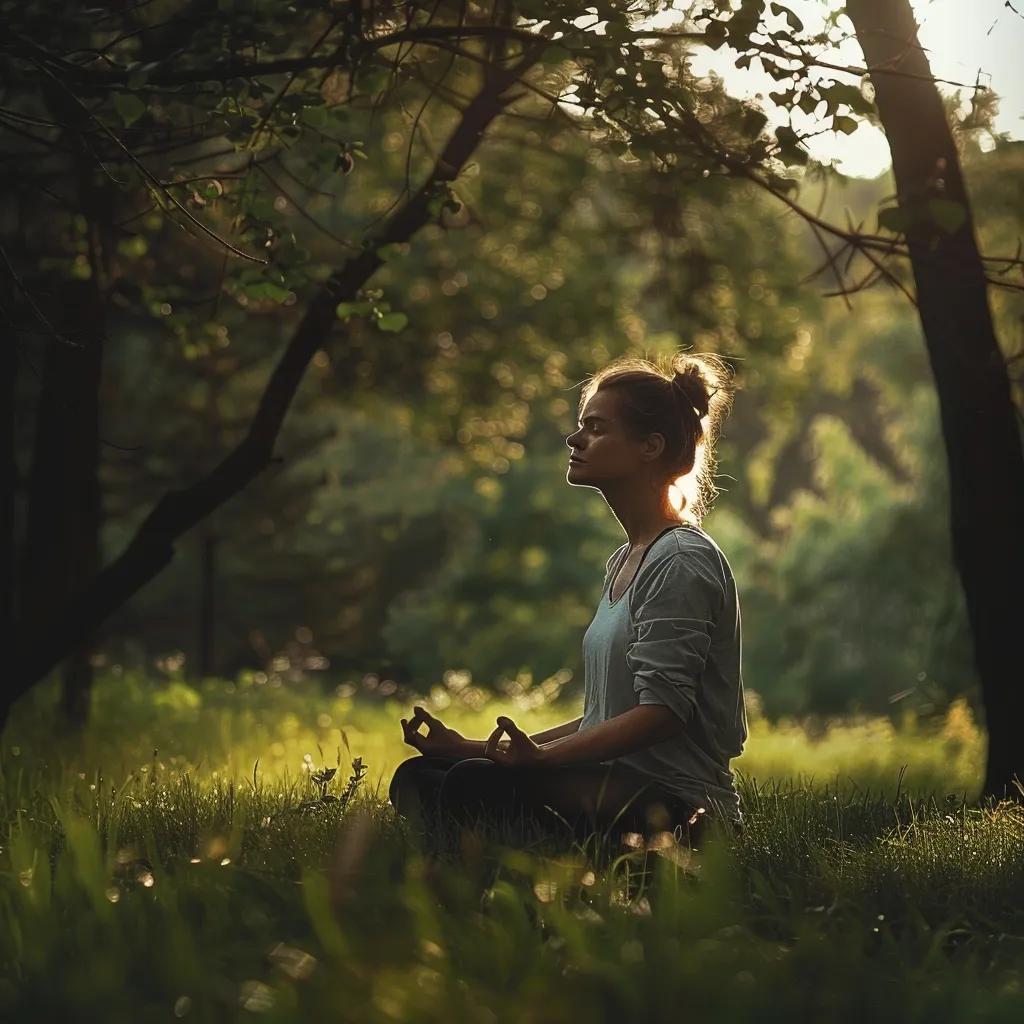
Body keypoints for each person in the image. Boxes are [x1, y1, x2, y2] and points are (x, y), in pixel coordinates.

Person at [389, 351, 748, 850]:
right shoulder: (627, 558)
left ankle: (523, 895)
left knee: (471, 785)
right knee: (423, 776)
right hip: (611, 786)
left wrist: (540, 762)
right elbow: (607, 715)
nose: (574, 439)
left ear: (650, 446)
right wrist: (473, 747)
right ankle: (486, 887)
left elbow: (663, 713)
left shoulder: (681, 560)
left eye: (596, 428)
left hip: (680, 809)